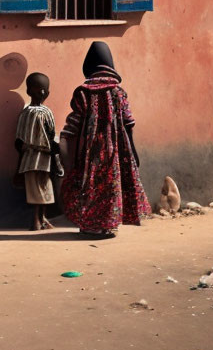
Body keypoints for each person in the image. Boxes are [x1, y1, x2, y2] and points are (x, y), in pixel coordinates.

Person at [59, 42, 151, 237]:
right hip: (116, 151)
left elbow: (73, 123)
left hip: (89, 151)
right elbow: (128, 123)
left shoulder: (82, 93)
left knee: (90, 185)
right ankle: (108, 225)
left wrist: (65, 141)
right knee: (111, 185)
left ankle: (90, 226)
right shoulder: (119, 92)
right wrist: (132, 151)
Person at [14, 72, 64, 231]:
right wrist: (57, 153)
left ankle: (42, 219)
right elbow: (51, 137)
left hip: (28, 160)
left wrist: (21, 160)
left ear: (28, 92)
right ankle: (37, 221)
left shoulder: (24, 113)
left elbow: (18, 141)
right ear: (47, 93)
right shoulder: (46, 112)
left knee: (36, 191)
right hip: (43, 159)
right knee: (43, 191)